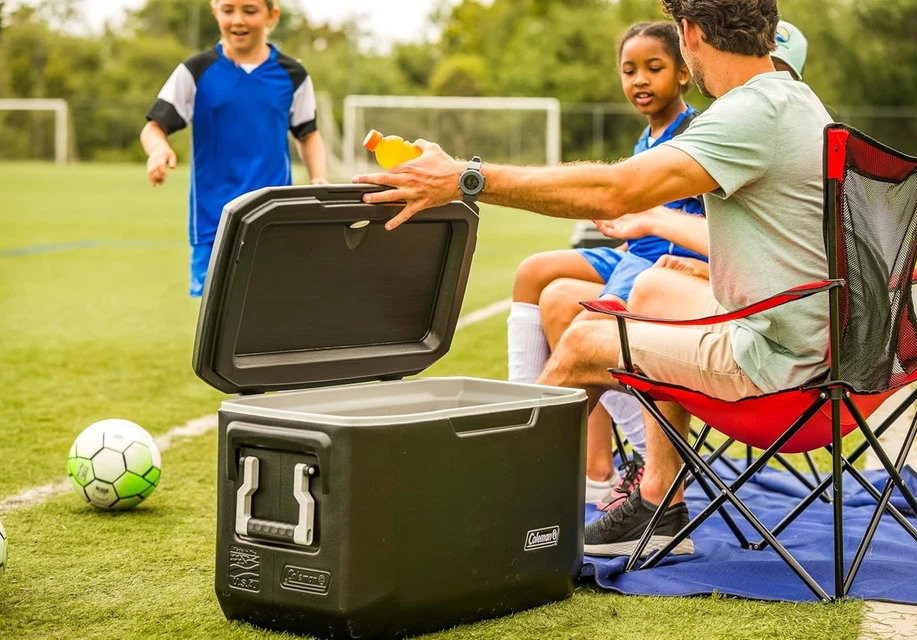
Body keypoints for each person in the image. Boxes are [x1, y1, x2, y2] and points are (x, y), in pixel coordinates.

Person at [354, 0, 832, 560]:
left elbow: (614, 191)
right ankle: (660, 496)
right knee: (654, 284)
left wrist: (467, 177)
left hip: (784, 364)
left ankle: (479, 498)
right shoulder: (795, 99)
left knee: (585, 338)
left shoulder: (748, 112)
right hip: (830, 339)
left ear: (690, 34)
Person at [505, 21, 707, 507]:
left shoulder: (696, 132)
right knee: (534, 271)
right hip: (632, 250)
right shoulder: (648, 136)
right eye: (629, 70)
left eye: (653, 68)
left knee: (563, 304)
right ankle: (557, 441)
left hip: (667, 258)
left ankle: (640, 457)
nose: (640, 80)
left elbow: (688, 221)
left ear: (683, 73)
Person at [140, 0, 327, 297]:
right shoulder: (196, 71)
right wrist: (158, 150)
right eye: (228, 10)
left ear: (272, 15)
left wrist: (318, 178)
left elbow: (308, 134)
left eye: (249, 11)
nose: (238, 20)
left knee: (271, 313)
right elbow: (153, 127)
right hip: (213, 223)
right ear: (215, 12)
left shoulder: (293, 75)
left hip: (273, 219)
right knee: (220, 324)